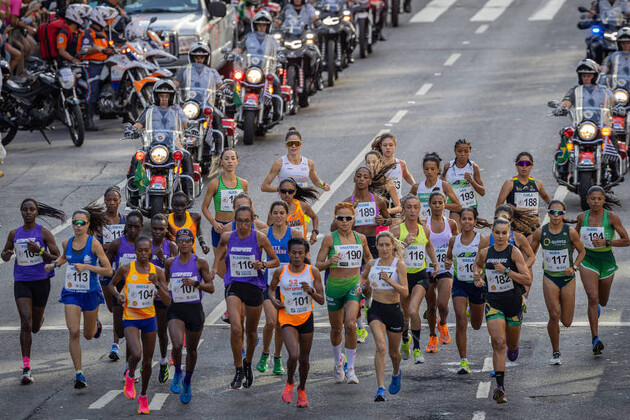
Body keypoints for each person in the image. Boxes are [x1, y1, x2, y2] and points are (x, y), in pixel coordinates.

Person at [211, 205, 280, 389]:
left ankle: (248, 363)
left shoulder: (259, 237)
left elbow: (275, 260)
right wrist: (214, 268)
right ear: (235, 221)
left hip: (254, 286)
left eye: (246, 221)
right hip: (234, 285)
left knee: (250, 332)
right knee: (235, 328)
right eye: (239, 221)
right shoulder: (228, 237)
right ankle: (238, 368)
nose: (242, 225)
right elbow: (219, 252)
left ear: (252, 221)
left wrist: (263, 263)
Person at [45, 206, 113, 389]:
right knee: (73, 332)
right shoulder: (67, 243)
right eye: (75, 222)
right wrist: (54, 265)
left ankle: (95, 324)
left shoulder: (94, 244)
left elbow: (108, 270)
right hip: (71, 293)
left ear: (88, 224)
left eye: (82, 223)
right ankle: (79, 373)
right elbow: (64, 258)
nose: (78, 226)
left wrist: (87, 267)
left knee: (88, 335)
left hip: (90, 292)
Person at [1, 199, 63, 384]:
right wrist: (5, 254)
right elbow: (5, 254)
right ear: (20, 212)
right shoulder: (14, 233)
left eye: (32, 210)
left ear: (37, 212)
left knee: (34, 327)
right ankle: (26, 367)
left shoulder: (44, 233)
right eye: (25, 210)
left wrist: (40, 250)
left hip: (41, 282)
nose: (28, 212)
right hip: (22, 281)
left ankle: (39, 318)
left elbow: (57, 258)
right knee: (26, 323)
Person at [109, 236, 171, 415]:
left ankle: (143, 396)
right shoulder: (126, 268)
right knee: (136, 353)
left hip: (149, 319)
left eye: (146, 250)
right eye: (139, 251)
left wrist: (156, 284)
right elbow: (111, 285)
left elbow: (167, 301)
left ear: (151, 251)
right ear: (135, 251)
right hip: (131, 318)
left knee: (148, 361)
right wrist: (119, 295)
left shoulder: (157, 271)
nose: (143, 254)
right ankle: (130, 374)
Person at [474, 218, 532, 404]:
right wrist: (478, 277)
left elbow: (527, 279)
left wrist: (506, 271)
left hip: (513, 303)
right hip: (494, 302)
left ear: (509, 234)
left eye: (504, 233)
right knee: (499, 342)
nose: (500, 236)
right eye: (497, 232)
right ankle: (500, 387)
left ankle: (513, 348)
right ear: (492, 232)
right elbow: (477, 265)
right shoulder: (485, 252)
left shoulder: (514, 252)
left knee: (511, 345)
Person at [316, 202, 372, 384]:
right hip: (334, 286)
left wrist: (367, 278)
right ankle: (338, 361)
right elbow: (317, 265)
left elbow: (369, 259)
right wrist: (329, 261)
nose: (345, 221)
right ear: (335, 219)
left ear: (354, 219)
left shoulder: (360, 238)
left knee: (350, 324)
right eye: (341, 218)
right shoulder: (329, 239)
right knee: (336, 329)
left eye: (348, 218)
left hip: (353, 286)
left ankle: (351, 369)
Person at [269, 237, 324, 408]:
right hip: (287, 317)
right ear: (288, 253)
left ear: (306, 254)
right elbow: (270, 290)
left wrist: (311, 292)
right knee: (294, 355)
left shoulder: (312, 271)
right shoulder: (281, 271)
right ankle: (290, 381)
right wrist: (274, 301)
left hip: (306, 317)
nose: (297, 256)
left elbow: (321, 300)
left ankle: (302, 389)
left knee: (305, 359)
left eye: (301, 253)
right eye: (294, 253)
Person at [529, 201, 585, 365]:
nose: (555, 215)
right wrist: (522, 267)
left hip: (567, 279)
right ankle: (555, 351)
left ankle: (564, 306)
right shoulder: (541, 232)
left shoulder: (571, 232)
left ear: (564, 214)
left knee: (566, 322)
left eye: (559, 213)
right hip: (550, 277)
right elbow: (530, 253)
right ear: (548, 213)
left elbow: (582, 251)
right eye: (553, 212)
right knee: (554, 314)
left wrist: (574, 267)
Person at [576, 186, 629, 355]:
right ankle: (595, 339)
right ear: (587, 200)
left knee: (602, 300)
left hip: (606, 261)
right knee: (592, 297)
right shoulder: (581, 217)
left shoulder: (612, 218)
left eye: (599, 199)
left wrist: (607, 242)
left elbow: (627, 240)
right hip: (588, 259)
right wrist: (572, 261)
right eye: (593, 199)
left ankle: (598, 305)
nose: (596, 202)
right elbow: (574, 239)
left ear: (604, 200)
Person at [165, 228, 214, 403]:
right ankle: (178, 371)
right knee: (177, 345)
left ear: (192, 242)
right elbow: (166, 283)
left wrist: (196, 284)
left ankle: (187, 380)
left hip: (194, 310)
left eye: (187, 240)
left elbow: (211, 287)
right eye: (181, 240)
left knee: (192, 350)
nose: (184, 243)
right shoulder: (170, 263)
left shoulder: (200, 262)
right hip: (176, 309)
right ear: (176, 243)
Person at [553, 60, 622, 182]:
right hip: (580, 125)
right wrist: (562, 108)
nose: (586, 78)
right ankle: (562, 169)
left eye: (589, 75)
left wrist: (618, 108)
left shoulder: (604, 90)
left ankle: (614, 169)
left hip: (599, 124)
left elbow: (613, 102)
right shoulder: (575, 90)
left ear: (595, 76)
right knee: (565, 133)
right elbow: (567, 101)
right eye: (583, 75)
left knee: (611, 133)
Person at [360, 232, 408, 402]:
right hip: (376, 309)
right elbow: (363, 277)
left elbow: (405, 291)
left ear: (393, 246)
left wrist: (390, 281)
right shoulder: (372, 263)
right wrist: (360, 286)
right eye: (381, 245)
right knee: (380, 347)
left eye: (388, 245)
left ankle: (396, 372)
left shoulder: (399, 265)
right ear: (377, 247)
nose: (385, 248)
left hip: (394, 311)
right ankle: (380, 388)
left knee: (394, 353)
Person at [127, 79, 195, 200]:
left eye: (167, 96)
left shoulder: (177, 109)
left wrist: (191, 127)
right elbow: (139, 124)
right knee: (136, 157)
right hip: (152, 146)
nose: (164, 98)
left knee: (186, 156)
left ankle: (187, 192)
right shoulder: (149, 110)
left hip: (174, 145)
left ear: (172, 97)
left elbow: (186, 123)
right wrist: (132, 130)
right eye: (161, 96)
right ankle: (134, 194)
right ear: (156, 96)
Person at [256, 201, 302, 375]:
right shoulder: (264, 234)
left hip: (288, 285)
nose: (278, 216)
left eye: (282, 213)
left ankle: (277, 357)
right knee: (270, 321)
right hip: (268, 284)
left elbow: (304, 257)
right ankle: (265, 354)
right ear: (270, 215)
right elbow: (254, 254)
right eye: (275, 213)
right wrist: (261, 265)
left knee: (281, 324)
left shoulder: (295, 234)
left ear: (287, 215)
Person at [390, 195, 438, 364]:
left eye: (415, 207)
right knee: (405, 316)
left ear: (419, 210)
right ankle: (405, 340)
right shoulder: (396, 231)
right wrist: (403, 244)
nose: (412, 210)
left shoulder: (424, 229)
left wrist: (435, 263)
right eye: (409, 207)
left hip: (420, 275)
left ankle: (417, 349)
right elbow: (389, 256)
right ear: (403, 209)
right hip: (403, 277)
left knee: (412, 311)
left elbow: (429, 245)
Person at [445, 207, 490, 373]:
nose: (467, 222)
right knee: (460, 318)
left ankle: (473, 308)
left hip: (476, 285)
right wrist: (447, 263)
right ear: (460, 221)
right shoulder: (454, 240)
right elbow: (448, 257)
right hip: (460, 283)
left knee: (477, 325)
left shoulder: (482, 240)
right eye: (464, 219)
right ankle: (463, 360)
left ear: (475, 222)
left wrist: (479, 276)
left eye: (470, 219)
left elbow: (485, 262)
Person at [105, 210, 143, 367]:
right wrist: (115, 272)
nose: (132, 230)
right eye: (129, 226)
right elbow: (105, 262)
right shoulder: (117, 243)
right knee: (121, 331)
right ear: (125, 226)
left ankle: (130, 366)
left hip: (138, 288)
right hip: (120, 287)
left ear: (141, 227)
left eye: (135, 227)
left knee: (132, 329)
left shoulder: (144, 244)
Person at [424, 191, 459, 353]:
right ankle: (432, 336)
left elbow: (458, 243)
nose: (437, 206)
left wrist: (452, 258)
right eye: (434, 203)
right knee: (431, 307)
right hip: (428, 269)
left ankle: (443, 322)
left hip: (445, 269)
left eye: (440, 203)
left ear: (444, 205)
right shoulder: (423, 224)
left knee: (443, 305)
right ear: (429, 205)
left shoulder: (451, 223)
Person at [235, 10, 283, 120]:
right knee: (235, 80)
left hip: (266, 71)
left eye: (264, 26)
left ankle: (276, 111)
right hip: (249, 70)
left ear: (268, 26)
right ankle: (232, 108)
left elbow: (279, 51)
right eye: (259, 25)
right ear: (254, 26)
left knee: (275, 82)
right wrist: (232, 54)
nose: (262, 28)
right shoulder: (248, 37)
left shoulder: (272, 40)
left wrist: (281, 55)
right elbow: (239, 49)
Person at [78, 5, 118, 131]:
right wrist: (95, 48)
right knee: (93, 89)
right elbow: (84, 50)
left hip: (104, 63)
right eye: (106, 19)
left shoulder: (103, 33)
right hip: (91, 65)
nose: (108, 22)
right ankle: (88, 119)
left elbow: (108, 48)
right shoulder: (88, 34)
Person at [201, 148, 248, 254]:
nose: (230, 161)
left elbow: (248, 206)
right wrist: (213, 223)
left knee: (238, 262)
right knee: (221, 266)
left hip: (239, 226)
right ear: (221, 162)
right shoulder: (215, 183)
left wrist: (254, 218)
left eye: (233, 158)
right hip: (220, 227)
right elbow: (204, 207)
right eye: (226, 159)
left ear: (237, 161)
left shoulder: (243, 183)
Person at [98, 186, 126, 360]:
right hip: (106, 270)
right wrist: (104, 248)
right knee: (111, 308)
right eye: (108, 200)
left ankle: (115, 345)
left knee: (118, 309)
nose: (111, 203)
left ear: (120, 201)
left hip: (121, 271)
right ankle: (95, 322)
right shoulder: (99, 222)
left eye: (115, 199)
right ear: (104, 201)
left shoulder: (125, 220)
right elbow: (92, 244)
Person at [150, 214, 178, 383]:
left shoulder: (171, 246)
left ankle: (163, 360)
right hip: (146, 294)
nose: (158, 232)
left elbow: (177, 269)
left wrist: (163, 259)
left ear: (167, 230)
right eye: (155, 229)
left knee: (163, 332)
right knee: (147, 331)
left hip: (165, 294)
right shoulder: (146, 246)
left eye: (162, 229)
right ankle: (146, 361)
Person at [260, 127, 330, 191]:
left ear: (301, 144)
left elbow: (316, 181)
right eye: (290, 144)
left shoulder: (309, 163)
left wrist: (323, 185)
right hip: (285, 203)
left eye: (297, 143)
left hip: (303, 203)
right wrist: (283, 190)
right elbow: (264, 186)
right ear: (286, 145)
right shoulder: (279, 163)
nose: (294, 146)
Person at [441, 139, 485, 225]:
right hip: (454, 205)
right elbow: (441, 185)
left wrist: (471, 181)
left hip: (470, 205)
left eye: (466, 151)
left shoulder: (473, 167)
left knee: (467, 231)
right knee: (456, 229)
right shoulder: (448, 167)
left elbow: (482, 192)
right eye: (459, 151)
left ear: (470, 151)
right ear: (455, 151)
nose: (462, 154)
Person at [496, 152, 551, 217]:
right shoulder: (509, 184)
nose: (524, 167)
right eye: (521, 164)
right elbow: (499, 206)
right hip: (515, 223)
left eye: (527, 164)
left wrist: (556, 210)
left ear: (532, 166)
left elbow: (546, 198)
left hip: (533, 222)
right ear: (516, 165)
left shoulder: (537, 184)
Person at [410, 153, 461, 220]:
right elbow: (407, 203)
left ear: (438, 170)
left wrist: (440, 205)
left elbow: (458, 206)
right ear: (423, 169)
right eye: (426, 169)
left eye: (432, 169)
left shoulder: (444, 185)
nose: (429, 172)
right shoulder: (417, 187)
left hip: (440, 224)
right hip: (423, 224)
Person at [272, 178, 319, 244]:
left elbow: (315, 217)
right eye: (283, 191)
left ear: (295, 192)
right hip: (283, 247)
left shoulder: (302, 205)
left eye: (290, 191)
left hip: (300, 247)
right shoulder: (275, 210)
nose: (287, 194)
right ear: (279, 191)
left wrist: (314, 232)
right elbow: (269, 231)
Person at [371, 132, 415, 203]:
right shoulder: (377, 165)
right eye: (385, 145)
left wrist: (414, 185)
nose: (388, 147)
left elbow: (407, 175)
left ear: (395, 146)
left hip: (397, 202)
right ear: (381, 146)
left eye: (391, 145)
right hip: (382, 203)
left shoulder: (401, 164)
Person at [364, 150, 402, 215]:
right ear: (365, 164)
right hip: (366, 222)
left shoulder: (388, 182)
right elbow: (353, 201)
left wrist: (386, 211)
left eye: (374, 162)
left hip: (381, 222)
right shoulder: (362, 182)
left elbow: (399, 207)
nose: (371, 165)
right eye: (368, 162)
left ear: (381, 163)